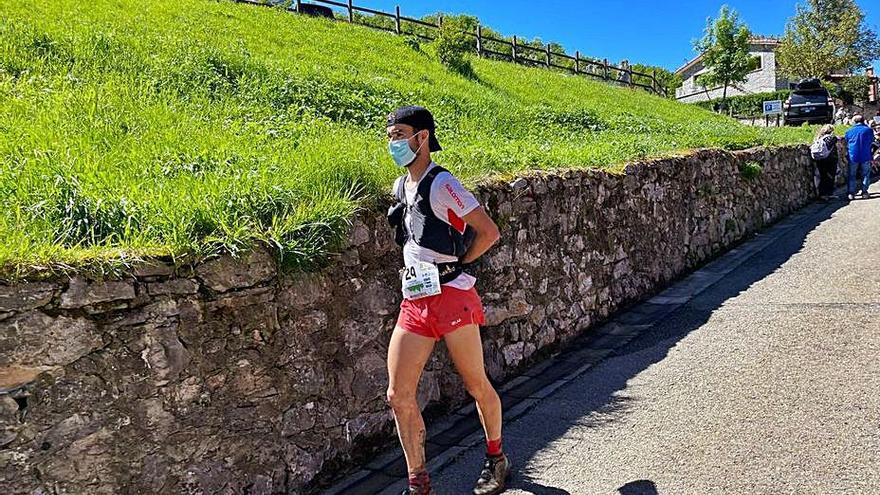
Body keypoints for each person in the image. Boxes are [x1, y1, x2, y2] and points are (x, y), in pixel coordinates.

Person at [384, 106, 510, 495]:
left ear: (421, 138)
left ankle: (496, 458)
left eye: (399, 134)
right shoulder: (399, 186)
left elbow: (488, 232)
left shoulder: (443, 184)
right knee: (397, 395)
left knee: (476, 384)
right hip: (416, 302)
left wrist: (459, 265)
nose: (393, 142)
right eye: (389, 135)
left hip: (452, 298)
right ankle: (418, 483)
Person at [844, 114, 874, 200]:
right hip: (865, 155)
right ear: (863, 120)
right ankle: (864, 192)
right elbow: (872, 140)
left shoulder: (849, 131)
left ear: (854, 121)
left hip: (853, 155)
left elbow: (846, 140)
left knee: (852, 174)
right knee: (865, 174)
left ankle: (851, 193)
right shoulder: (868, 130)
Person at [812, 125, 839, 200]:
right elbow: (835, 140)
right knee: (830, 177)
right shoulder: (831, 137)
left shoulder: (818, 138)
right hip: (829, 160)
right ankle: (827, 194)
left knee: (823, 176)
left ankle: (822, 194)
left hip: (820, 159)